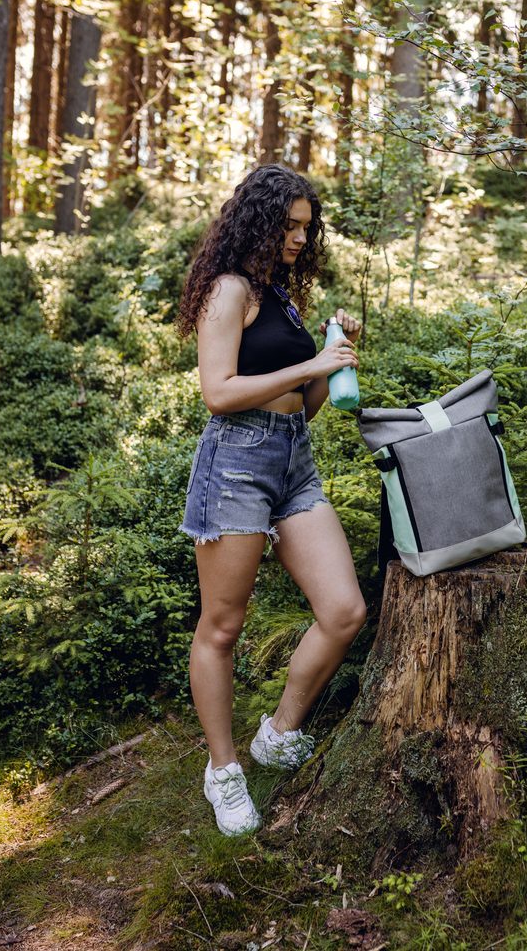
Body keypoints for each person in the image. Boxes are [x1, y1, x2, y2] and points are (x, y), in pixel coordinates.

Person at [174, 163, 367, 837]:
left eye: (305, 228)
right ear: (256, 221)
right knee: (222, 628)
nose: (297, 238)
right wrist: (310, 364)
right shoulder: (229, 291)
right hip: (236, 463)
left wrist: (332, 357)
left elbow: (304, 405)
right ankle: (223, 772)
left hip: (293, 460)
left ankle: (277, 733)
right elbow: (219, 392)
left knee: (344, 611)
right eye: (287, 225)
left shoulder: (281, 295)